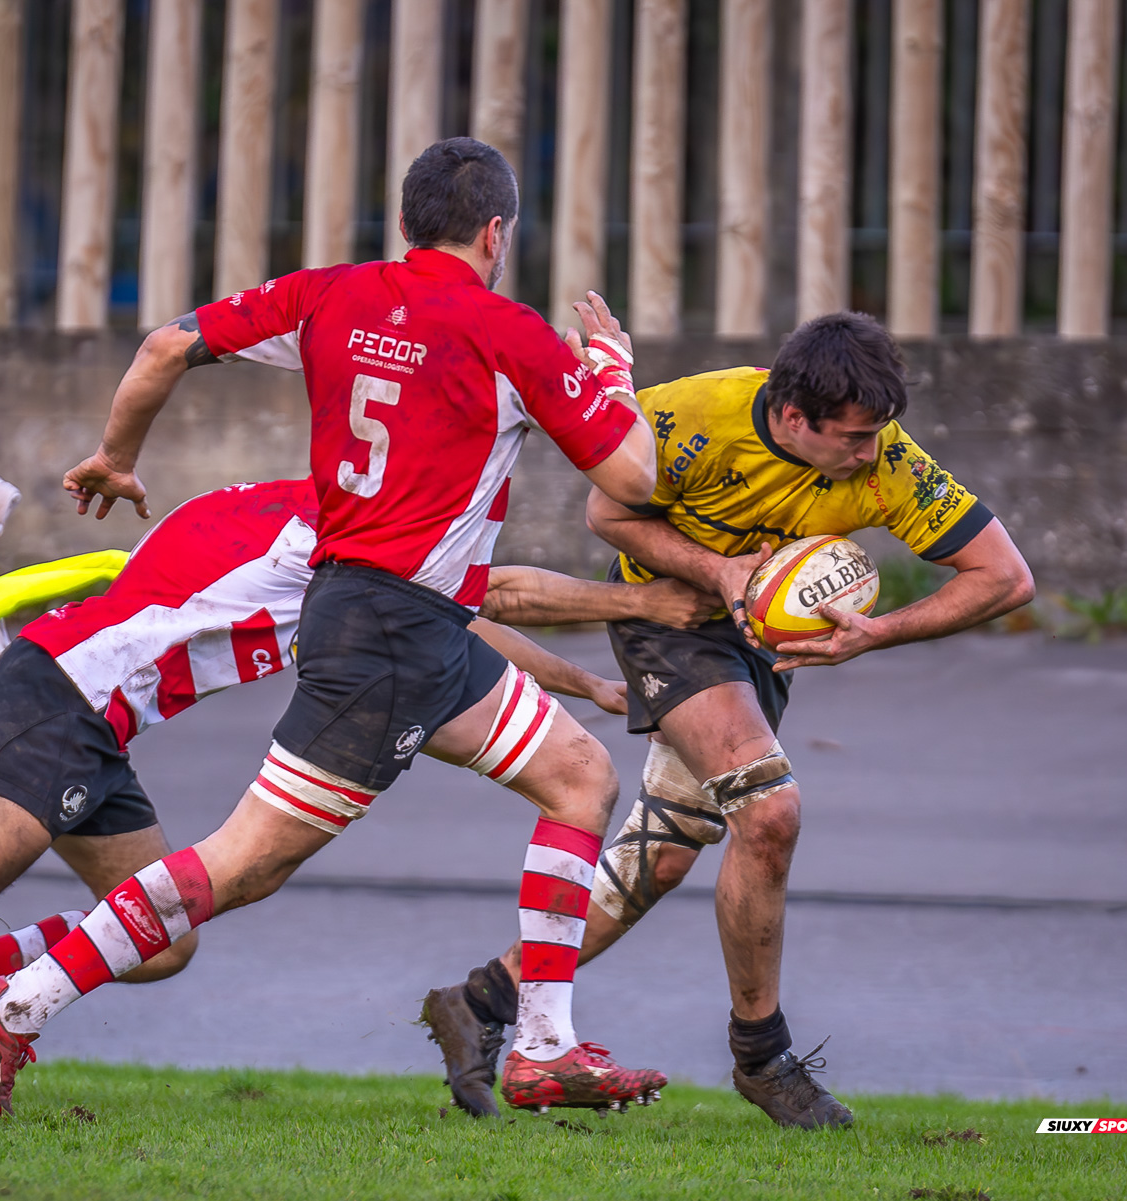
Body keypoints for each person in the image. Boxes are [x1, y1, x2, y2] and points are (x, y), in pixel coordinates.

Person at [0, 135, 674, 1119]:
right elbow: (635, 477)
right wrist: (611, 369)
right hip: (390, 637)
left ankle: (542, 1043)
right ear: (497, 232)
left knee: (580, 779)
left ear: (406, 224)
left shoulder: (334, 294)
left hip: (403, 628)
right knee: (240, 863)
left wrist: (115, 454)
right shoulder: (511, 331)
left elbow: (165, 346)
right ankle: (17, 1004)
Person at [0, 476, 718, 1098]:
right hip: (66, 696)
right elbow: (479, 594)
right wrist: (637, 602)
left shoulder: (288, 505)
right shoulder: (348, 534)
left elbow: (449, 622)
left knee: (163, 939)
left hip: (91, 711)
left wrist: (579, 679)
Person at [421, 311, 1037, 1126]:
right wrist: (719, 572)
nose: (868, 453)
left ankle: (481, 1001)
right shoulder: (688, 417)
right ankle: (763, 1056)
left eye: (878, 434)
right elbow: (607, 517)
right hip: (669, 617)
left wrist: (877, 633)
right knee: (770, 811)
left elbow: (1004, 576)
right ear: (793, 417)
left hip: (757, 652)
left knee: (664, 857)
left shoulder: (888, 461)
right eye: (852, 437)